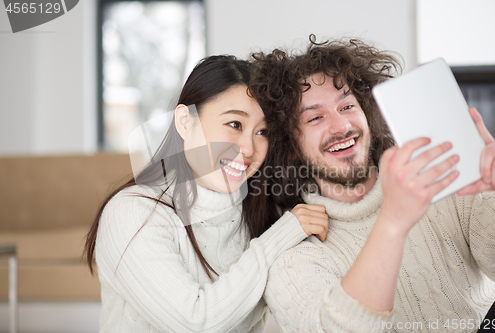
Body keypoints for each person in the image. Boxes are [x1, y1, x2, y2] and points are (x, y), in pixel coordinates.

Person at [249, 38, 495, 332]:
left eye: (347, 106)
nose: (341, 126)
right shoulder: (293, 253)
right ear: (291, 147)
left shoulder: (445, 182)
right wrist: (393, 221)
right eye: (315, 117)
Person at [84, 55, 329, 332]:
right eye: (235, 124)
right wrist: (283, 234)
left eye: (262, 132)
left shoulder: (264, 213)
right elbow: (195, 322)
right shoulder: (133, 213)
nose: (248, 149)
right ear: (185, 122)